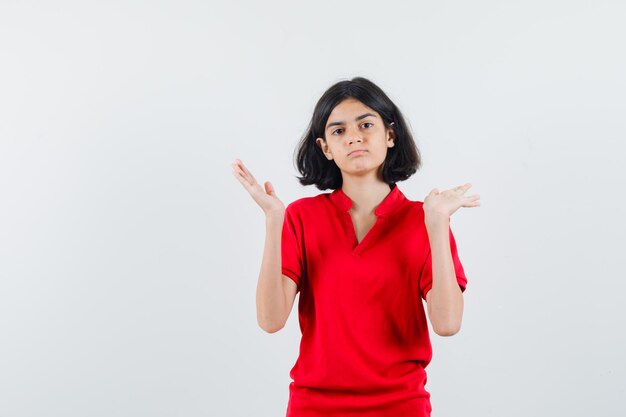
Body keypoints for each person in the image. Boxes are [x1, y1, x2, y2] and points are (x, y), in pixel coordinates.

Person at [231, 77, 480, 417]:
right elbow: (271, 319)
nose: (353, 136)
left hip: (400, 406)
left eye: (366, 124)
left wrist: (437, 225)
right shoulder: (301, 218)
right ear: (325, 148)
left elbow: (448, 324)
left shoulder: (425, 219)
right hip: (314, 405)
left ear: (390, 135)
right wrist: (274, 219)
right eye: (338, 131)